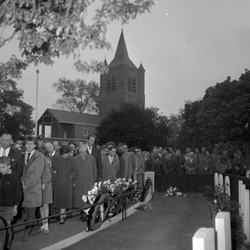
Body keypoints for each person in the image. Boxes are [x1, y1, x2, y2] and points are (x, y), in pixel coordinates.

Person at [20, 136, 45, 242]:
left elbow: (37, 174)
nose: (29, 146)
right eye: (27, 143)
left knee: (30, 211)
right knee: (29, 210)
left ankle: (27, 232)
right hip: (24, 186)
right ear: (25, 145)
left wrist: (26, 184)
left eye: (31, 144)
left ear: (35, 145)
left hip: (33, 187)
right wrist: (22, 181)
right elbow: (22, 171)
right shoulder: (22, 155)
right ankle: (36, 227)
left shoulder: (40, 156)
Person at [0, 156, 22, 250]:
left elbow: (18, 194)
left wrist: (15, 206)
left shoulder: (14, 178)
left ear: (9, 166)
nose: (0, 170)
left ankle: (6, 246)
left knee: (7, 227)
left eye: (3, 167)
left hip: (9, 206)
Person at [52, 146, 76, 224]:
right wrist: (54, 175)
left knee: (65, 199)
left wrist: (71, 176)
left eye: (66, 154)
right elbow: (51, 168)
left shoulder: (71, 159)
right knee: (61, 199)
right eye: (63, 154)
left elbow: (74, 170)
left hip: (67, 181)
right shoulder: (55, 158)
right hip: (58, 182)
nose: (64, 156)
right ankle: (62, 215)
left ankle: (62, 215)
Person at [72, 144, 97, 209]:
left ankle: (88, 214)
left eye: (85, 152)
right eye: (82, 152)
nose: (84, 153)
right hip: (79, 182)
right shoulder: (75, 159)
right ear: (79, 152)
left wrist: (93, 181)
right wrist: (74, 182)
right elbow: (73, 171)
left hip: (89, 182)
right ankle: (82, 212)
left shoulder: (92, 158)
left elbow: (94, 170)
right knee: (80, 200)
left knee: (89, 199)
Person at [40, 157, 53, 235]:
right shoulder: (37, 164)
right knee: (40, 206)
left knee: (45, 205)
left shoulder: (45, 165)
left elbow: (48, 176)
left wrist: (44, 183)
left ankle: (46, 224)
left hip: (46, 187)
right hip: (38, 187)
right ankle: (43, 223)